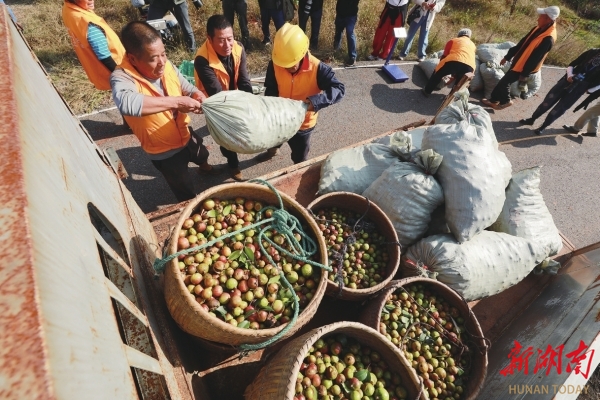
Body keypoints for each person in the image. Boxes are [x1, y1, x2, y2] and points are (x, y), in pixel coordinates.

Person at [111, 21, 214, 202]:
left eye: (164, 54)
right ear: (133, 58)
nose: (162, 63)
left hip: (185, 132)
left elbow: (185, 86)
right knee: (183, 187)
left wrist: (196, 94)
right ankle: (191, 206)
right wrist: (176, 102)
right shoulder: (121, 77)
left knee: (201, 154)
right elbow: (127, 103)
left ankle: (205, 167)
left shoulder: (165, 64)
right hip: (164, 150)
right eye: (153, 58)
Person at [257, 23, 345, 164]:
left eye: (291, 64)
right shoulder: (276, 62)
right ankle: (272, 152)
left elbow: (339, 88)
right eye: (283, 64)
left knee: (300, 154)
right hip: (280, 118)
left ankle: (297, 167)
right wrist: (270, 109)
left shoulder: (318, 69)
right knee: (274, 139)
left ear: (303, 53)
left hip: (303, 124)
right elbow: (271, 88)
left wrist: (315, 102)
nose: (286, 68)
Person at [194, 15, 253, 181]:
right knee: (225, 132)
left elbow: (243, 79)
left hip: (231, 92)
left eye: (230, 38)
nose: (227, 45)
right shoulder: (202, 60)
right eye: (221, 40)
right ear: (209, 38)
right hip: (214, 100)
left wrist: (251, 104)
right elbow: (217, 93)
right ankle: (233, 165)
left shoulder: (238, 47)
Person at [482, 6, 559, 111]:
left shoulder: (548, 39)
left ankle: (506, 101)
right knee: (503, 81)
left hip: (525, 66)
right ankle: (493, 100)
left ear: (548, 19)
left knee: (505, 83)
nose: (538, 18)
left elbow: (536, 58)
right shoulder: (538, 29)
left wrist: (525, 74)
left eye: (541, 16)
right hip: (519, 61)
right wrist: (508, 56)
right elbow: (522, 43)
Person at [518, 48, 600, 135]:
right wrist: (569, 75)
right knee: (548, 101)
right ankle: (532, 119)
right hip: (568, 80)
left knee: (560, 108)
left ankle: (543, 126)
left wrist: (590, 90)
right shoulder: (592, 52)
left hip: (581, 87)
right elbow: (573, 64)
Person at [62, 0, 125, 90]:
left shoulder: (68, 8)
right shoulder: (87, 23)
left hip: (100, 73)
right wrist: (123, 77)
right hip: (116, 68)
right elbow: (104, 56)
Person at [421, 28, 475, 97]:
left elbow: (445, 55)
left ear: (459, 34)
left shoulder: (453, 40)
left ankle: (427, 91)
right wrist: (455, 75)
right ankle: (451, 97)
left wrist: (440, 69)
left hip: (453, 60)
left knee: (437, 73)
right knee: (459, 83)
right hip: (470, 67)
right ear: (469, 36)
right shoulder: (473, 45)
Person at [333, 0, 360, 67]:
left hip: (351, 15)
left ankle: (352, 57)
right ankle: (336, 51)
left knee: (350, 32)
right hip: (340, 13)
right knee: (338, 32)